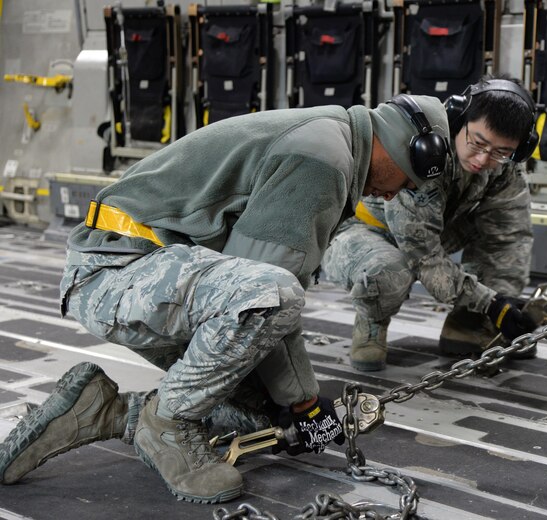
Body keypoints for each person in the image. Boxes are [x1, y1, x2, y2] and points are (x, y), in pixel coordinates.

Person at [0, 94, 451, 503]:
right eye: (406, 181)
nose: (395, 193)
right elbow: (265, 291)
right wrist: (306, 403)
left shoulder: (332, 137)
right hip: (113, 273)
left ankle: (104, 411)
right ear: (396, 146)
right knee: (270, 297)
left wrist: (289, 402)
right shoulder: (324, 159)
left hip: (141, 274)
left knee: (257, 414)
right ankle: (169, 427)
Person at [321, 75, 547, 372]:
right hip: (365, 233)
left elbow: (509, 237)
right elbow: (425, 259)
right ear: (459, 118)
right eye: (478, 142)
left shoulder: (503, 166)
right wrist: (492, 304)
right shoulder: (424, 151)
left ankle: (466, 324)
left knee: (500, 234)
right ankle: (371, 323)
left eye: (500, 152)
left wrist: (506, 304)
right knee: (389, 270)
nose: (482, 159)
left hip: (429, 234)